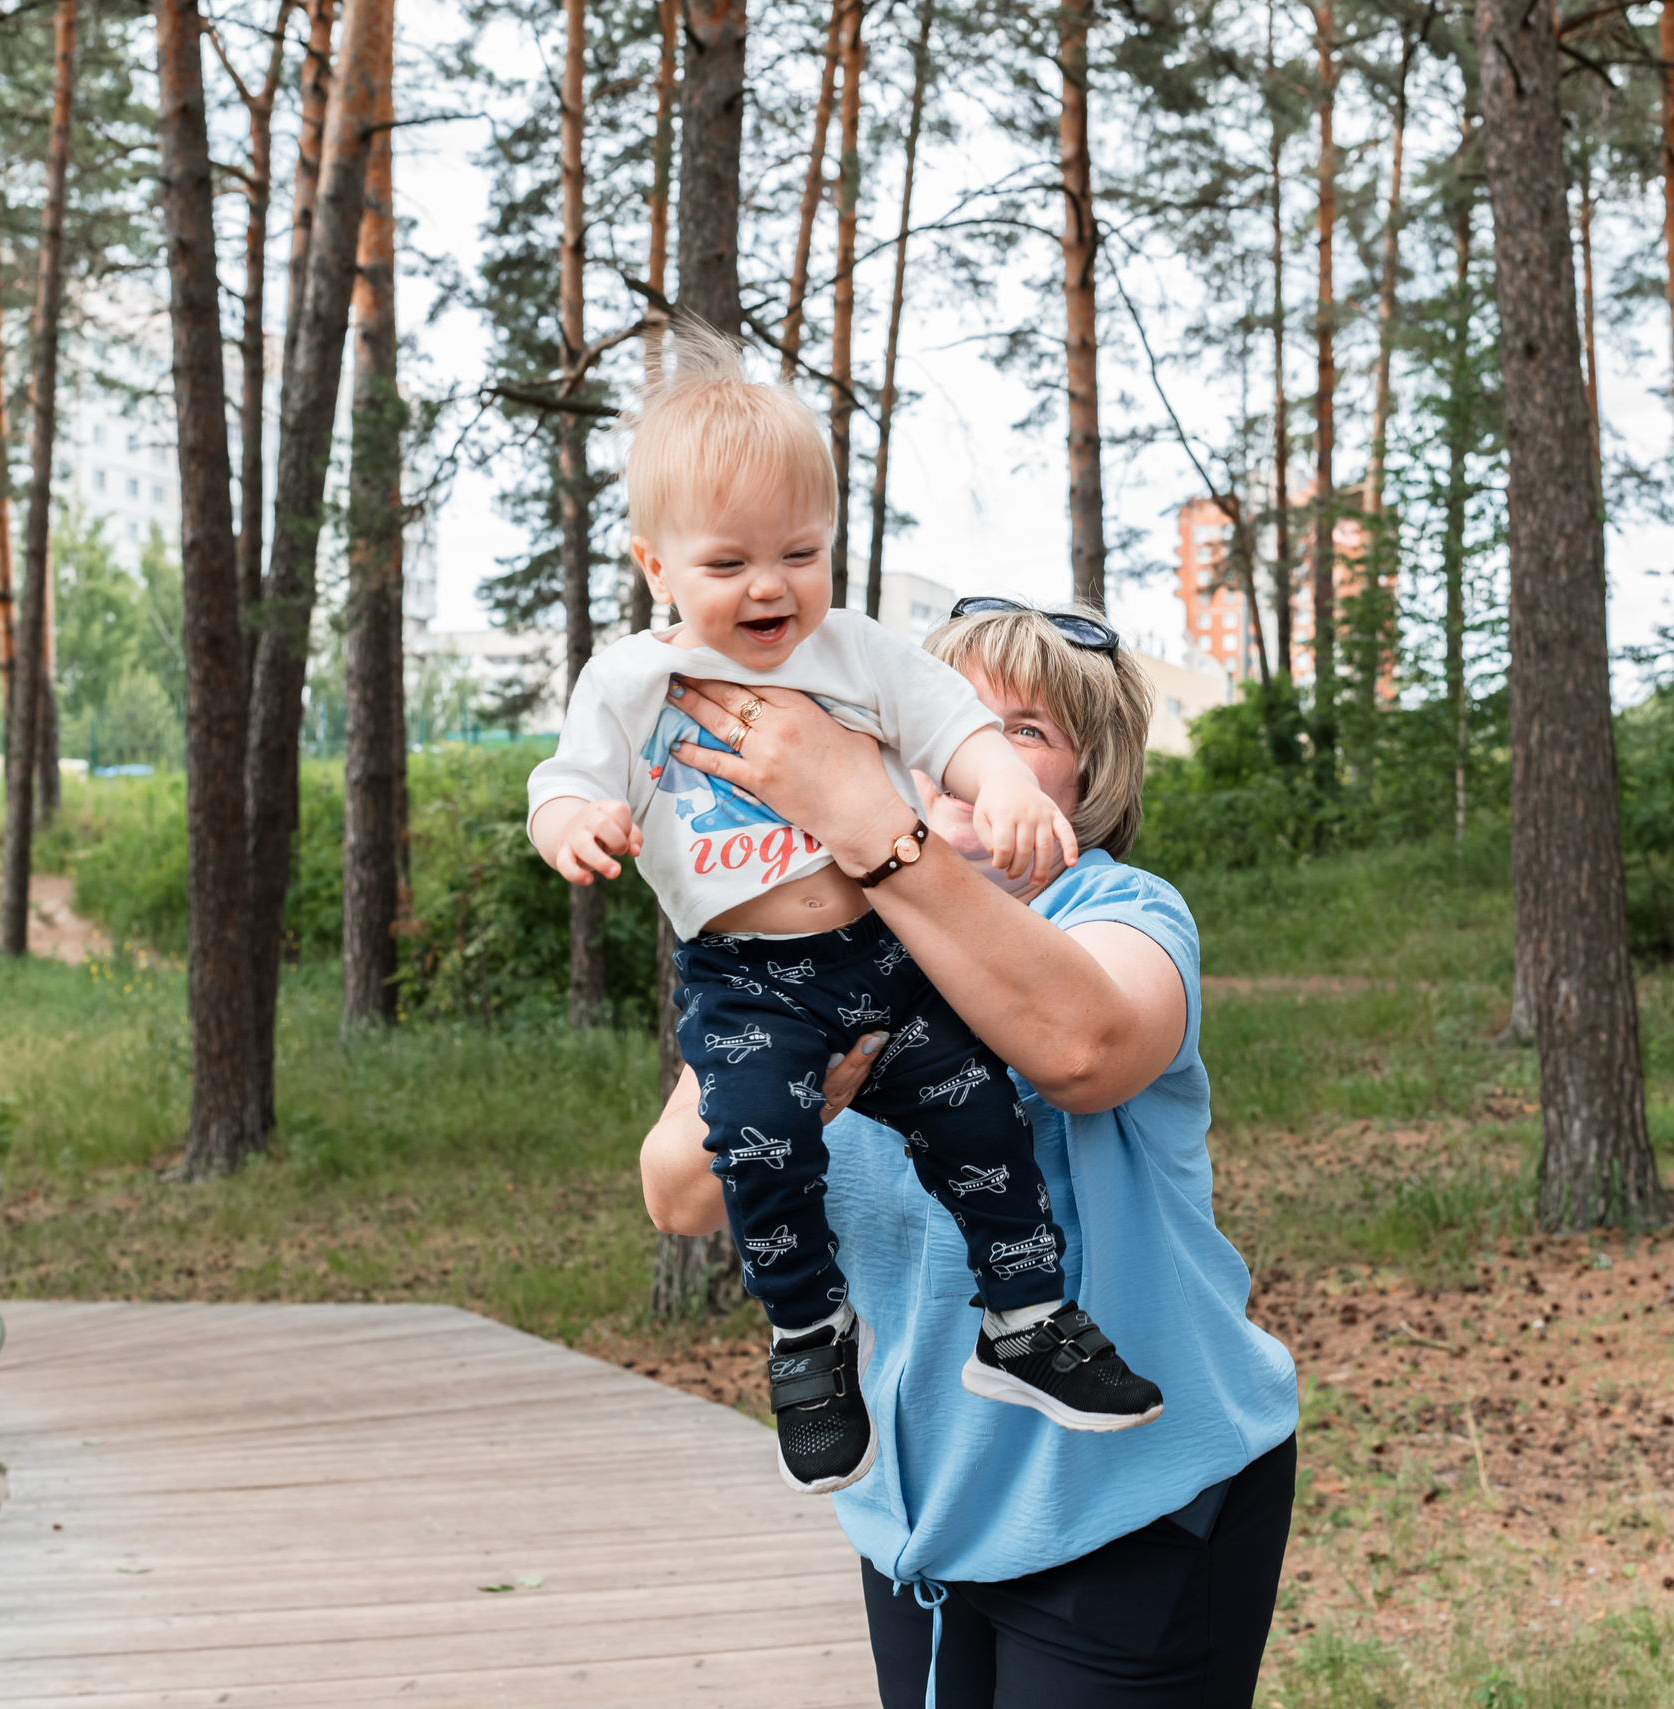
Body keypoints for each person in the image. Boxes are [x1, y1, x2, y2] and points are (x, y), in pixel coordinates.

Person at [529, 326, 1163, 1497]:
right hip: (751, 980)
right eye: (728, 564)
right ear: (655, 566)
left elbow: (947, 729)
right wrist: (571, 823)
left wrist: (1001, 780)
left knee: (977, 1115)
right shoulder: (630, 681)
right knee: (761, 1145)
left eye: (800, 552)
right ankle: (809, 1339)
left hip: (880, 953)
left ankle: (1023, 1314)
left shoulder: (860, 657)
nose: (769, 586)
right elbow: (568, 777)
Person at [641, 603, 1300, 1708]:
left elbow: (1082, 1046)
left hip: (1122, 1503)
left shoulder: (1122, 910)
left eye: (1023, 729)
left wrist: (877, 836)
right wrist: (795, 1093)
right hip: (922, 1511)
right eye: (942, 718)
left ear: (1083, 782)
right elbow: (678, 1193)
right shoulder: (803, 941)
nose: (968, 752)